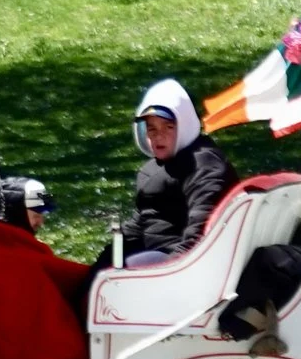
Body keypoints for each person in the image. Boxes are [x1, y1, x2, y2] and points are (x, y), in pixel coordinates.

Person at [102, 80, 238, 270]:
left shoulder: (203, 165)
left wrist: (170, 272)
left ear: (184, 125)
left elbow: (201, 233)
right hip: (156, 253)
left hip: (182, 265)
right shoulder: (157, 168)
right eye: (152, 128)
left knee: (114, 275)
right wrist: (113, 250)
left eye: (169, 127)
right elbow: (145, 217)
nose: (159, 136)